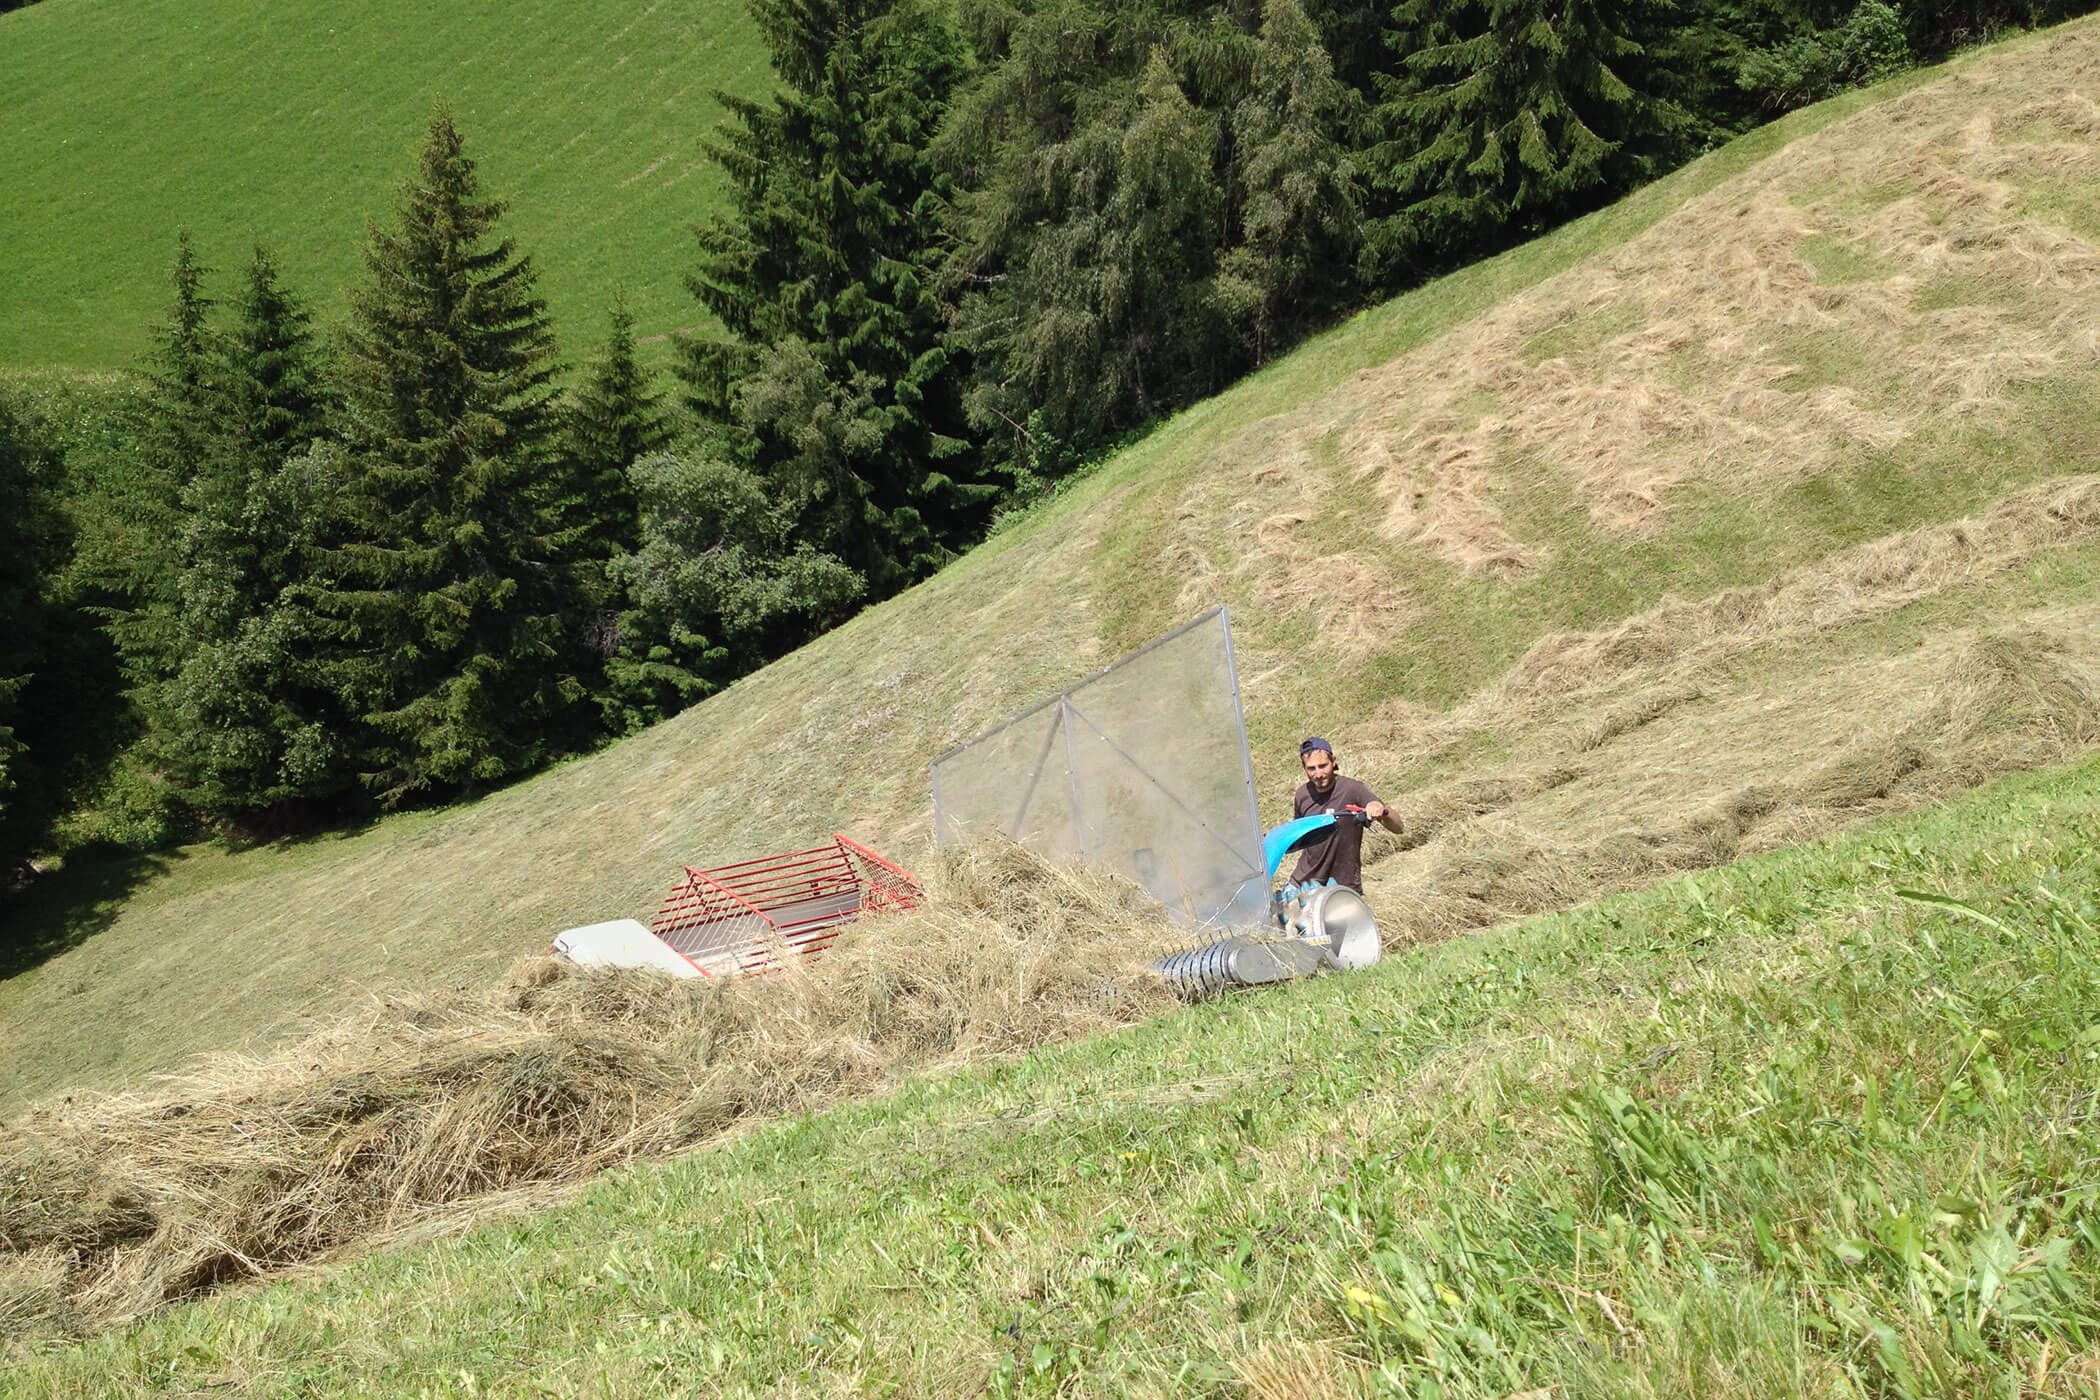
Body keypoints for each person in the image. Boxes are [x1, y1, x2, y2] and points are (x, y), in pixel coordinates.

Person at [1288, 736, 1402, 893]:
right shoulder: (1302, 794)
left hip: (1343, 886)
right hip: (1303, 883)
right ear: (1304, 767)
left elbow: (1398, 828)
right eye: (1311, 768)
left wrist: (1382, 811)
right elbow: (1299, 835)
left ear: (1333, 761)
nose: (1318, 774)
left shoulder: (1353, 789)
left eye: (1323, 766)